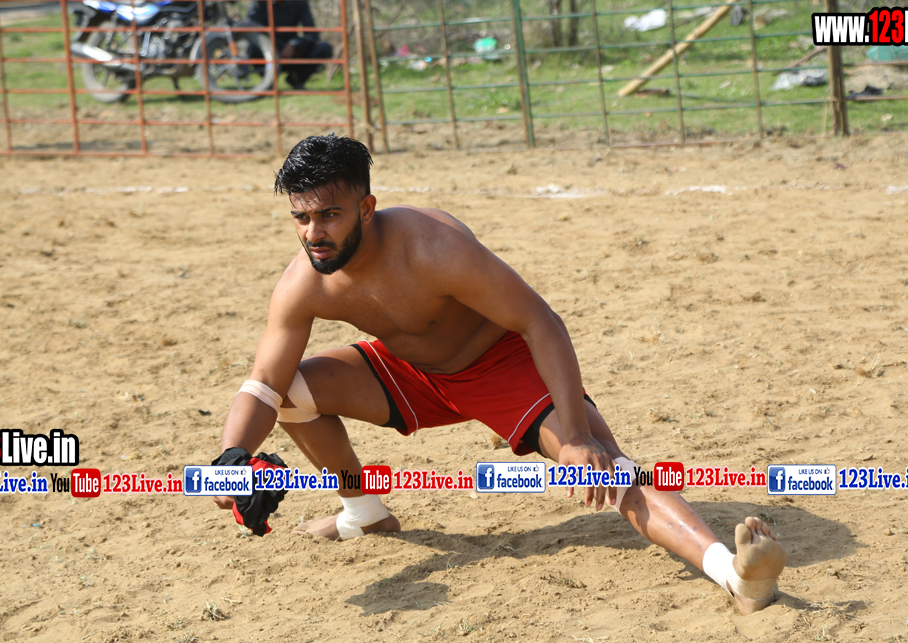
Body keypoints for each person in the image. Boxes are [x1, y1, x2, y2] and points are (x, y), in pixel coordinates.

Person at [215, 134, 787, 615]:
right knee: (290, 392)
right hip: (411, 372)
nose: (313, 233)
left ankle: (735, 575)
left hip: (502, 367)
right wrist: (232, 461)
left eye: (329, 215)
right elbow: (263, 382)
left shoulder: (433, 247)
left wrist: (577, 436)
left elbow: (541, 321)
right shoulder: (306, 280)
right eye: (301, 217)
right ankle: (364, 514)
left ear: (366, 208)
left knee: (608, 469)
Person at [246, 0, 332, 89]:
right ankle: (268, 82)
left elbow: (312, 34)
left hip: (293, 53)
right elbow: (252, 32)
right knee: (254, 47)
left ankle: (296, 79)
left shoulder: (299, 2)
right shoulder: (259, 2)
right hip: (269, 52)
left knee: (324, 48)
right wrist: (280, 47)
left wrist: (295, 44)